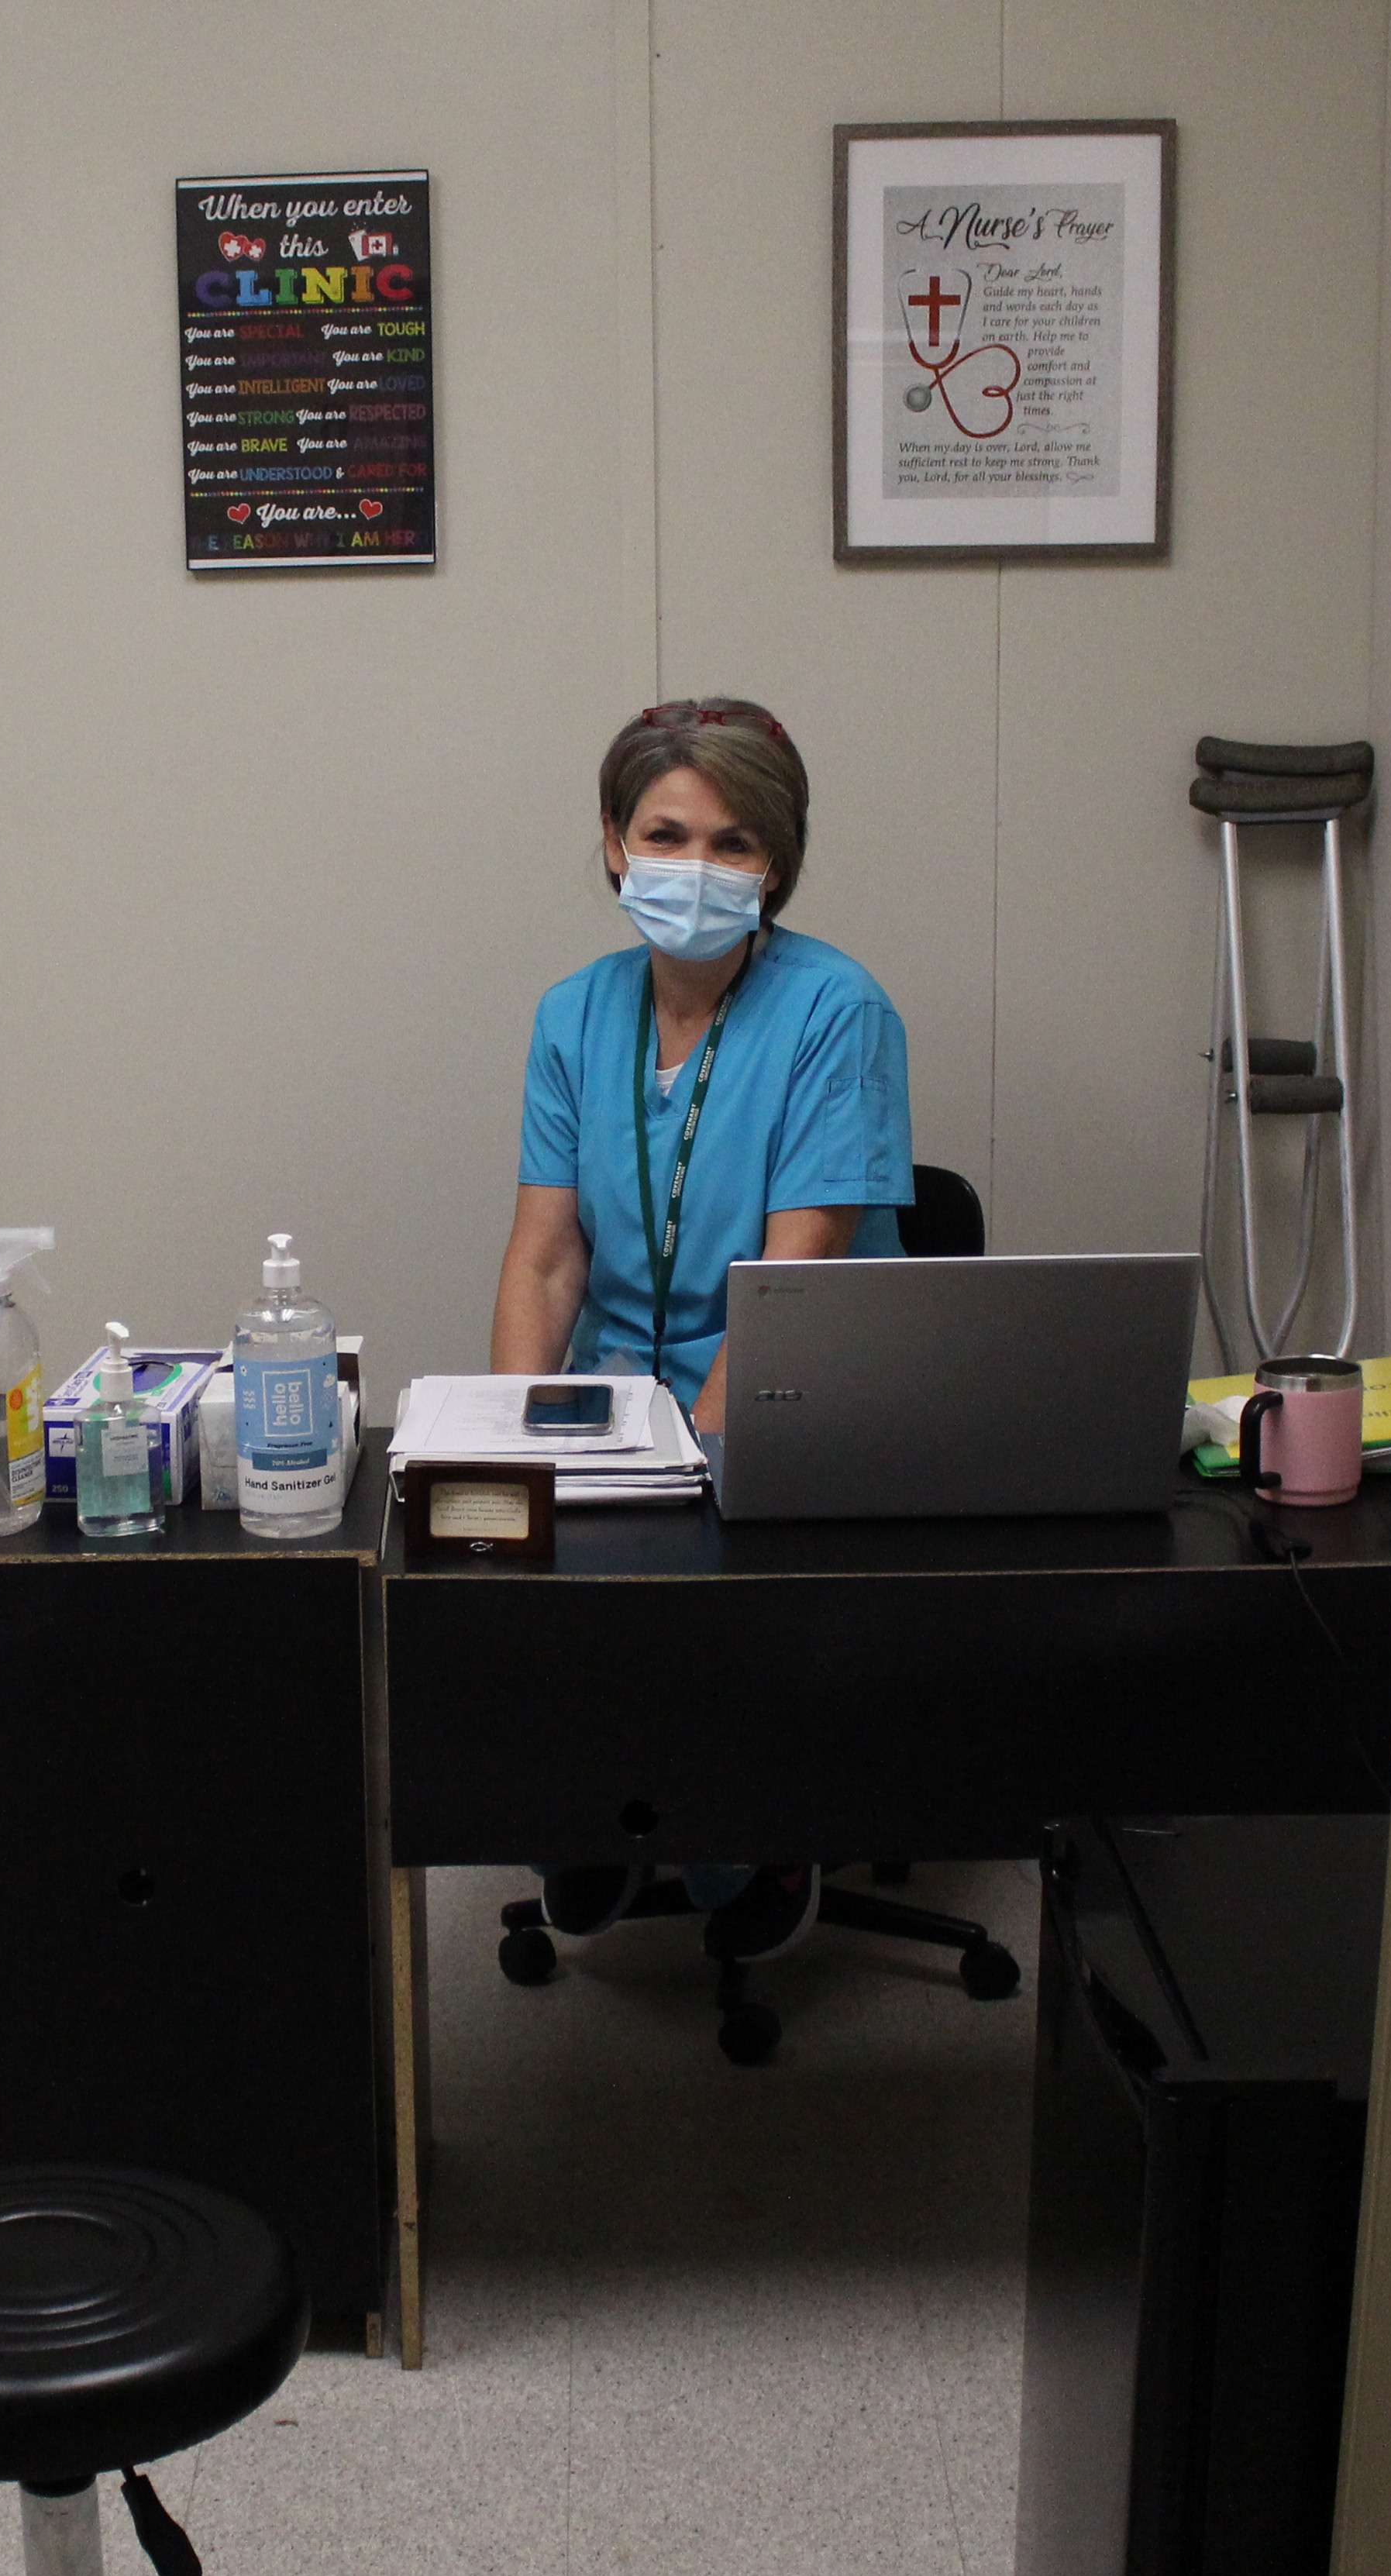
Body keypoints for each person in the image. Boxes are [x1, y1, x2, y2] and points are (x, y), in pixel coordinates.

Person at [489, 696, 913, 1962]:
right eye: (667, 835)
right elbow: (548, 1256)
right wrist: (520, 1450)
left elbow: (798, 1277)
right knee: (509, 1568)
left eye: (734, 844)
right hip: (629, 1394)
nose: (697, 868)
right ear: (617, 843)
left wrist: (684, 1480)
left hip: (798, 1394)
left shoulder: (838, 1009)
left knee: (704, 1584)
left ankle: (758, 1843)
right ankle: (591, 1817)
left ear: (774, 864)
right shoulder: (573, 1015)